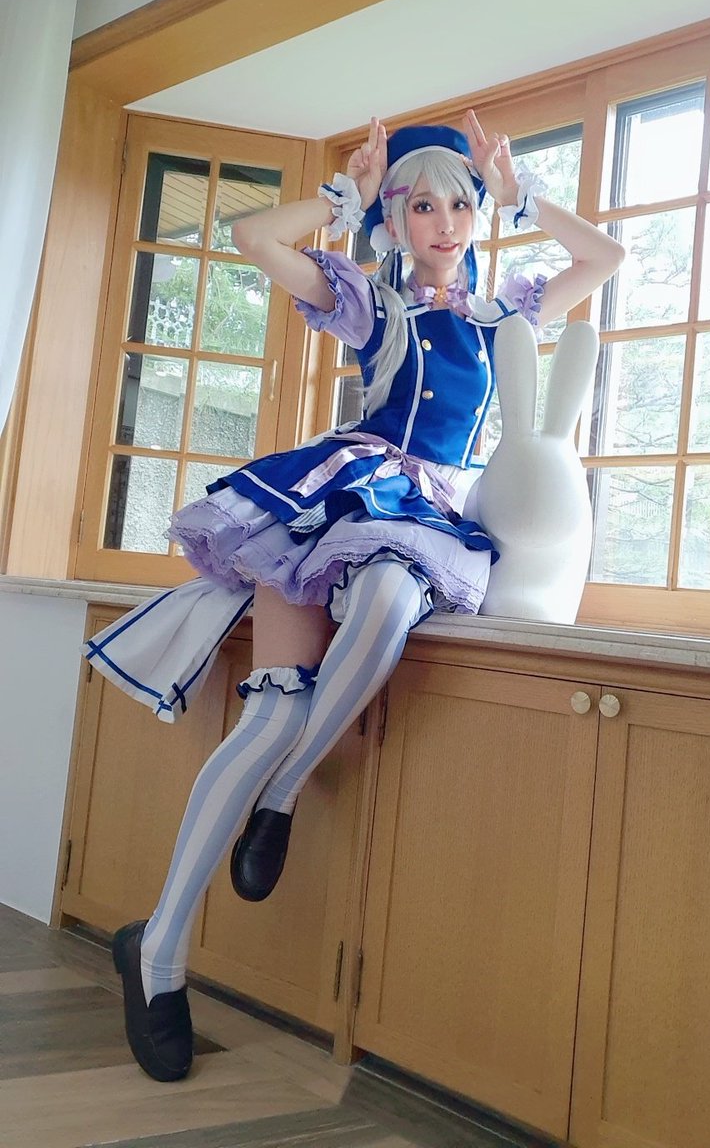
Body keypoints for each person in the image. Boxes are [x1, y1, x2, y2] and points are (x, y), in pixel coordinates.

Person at [92, 110, 625, 1083]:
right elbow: (254, 238)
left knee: (386, 602)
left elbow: (606, 258)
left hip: (429, 514)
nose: (445, 224)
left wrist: (525, 198)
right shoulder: (371, 306)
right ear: (397, 219)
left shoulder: (503, 317)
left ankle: (284, 796)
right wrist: (343, 199)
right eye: (422, 206)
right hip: (335, 498)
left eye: (460, 205)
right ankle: (157, 952)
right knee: (268, 716)